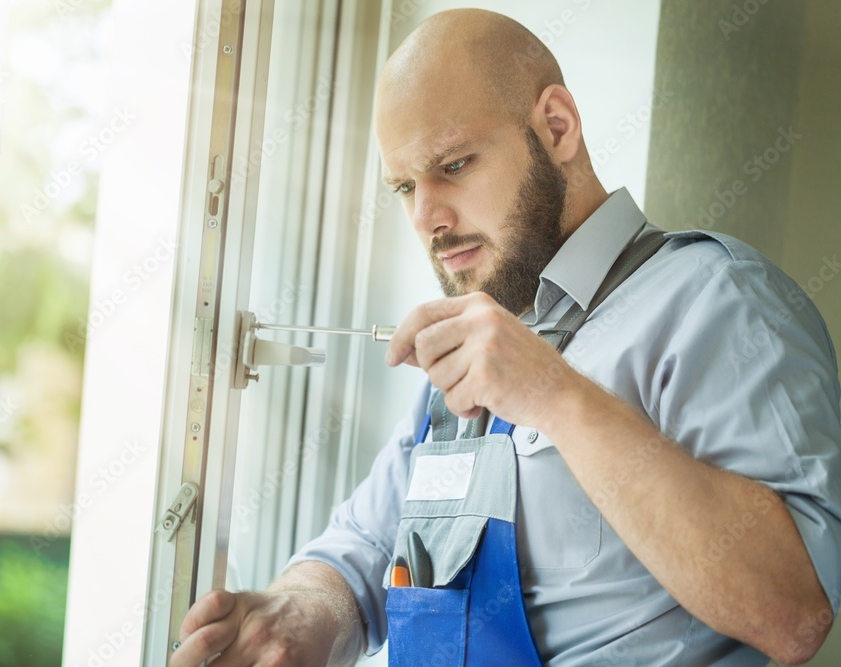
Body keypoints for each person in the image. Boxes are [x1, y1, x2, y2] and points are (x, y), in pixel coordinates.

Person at [171, 8, 841, 666]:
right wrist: (300, 612)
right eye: (404, 186)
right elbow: (366, 548)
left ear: (557, 126)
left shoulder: (717, 299)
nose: (427, 218)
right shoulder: (474, 349)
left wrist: (552, 391)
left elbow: (794, 612)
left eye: (455, 164)